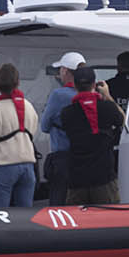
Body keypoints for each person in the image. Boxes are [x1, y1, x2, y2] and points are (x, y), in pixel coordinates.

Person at [59, 65, 126, 205]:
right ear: (94, 84)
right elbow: (124, 120)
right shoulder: (107, 108)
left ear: (75, 86)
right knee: (108, 220)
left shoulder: (67, 113)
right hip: (104, 177)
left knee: (77, 223)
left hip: (77, 179)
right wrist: (107, 96)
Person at [0, 63, 39, 207]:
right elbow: (33, 133)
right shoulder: (28, 106)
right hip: (27, 166)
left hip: (4, 166)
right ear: (17, 82)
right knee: (25, 216)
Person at [38, 51, 84, 206]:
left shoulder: (58, 95)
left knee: (59, 202)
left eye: (60, 70)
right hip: (86, 158)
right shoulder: (91, 93)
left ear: (65, 71)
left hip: (63, 158)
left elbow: (44, 126)